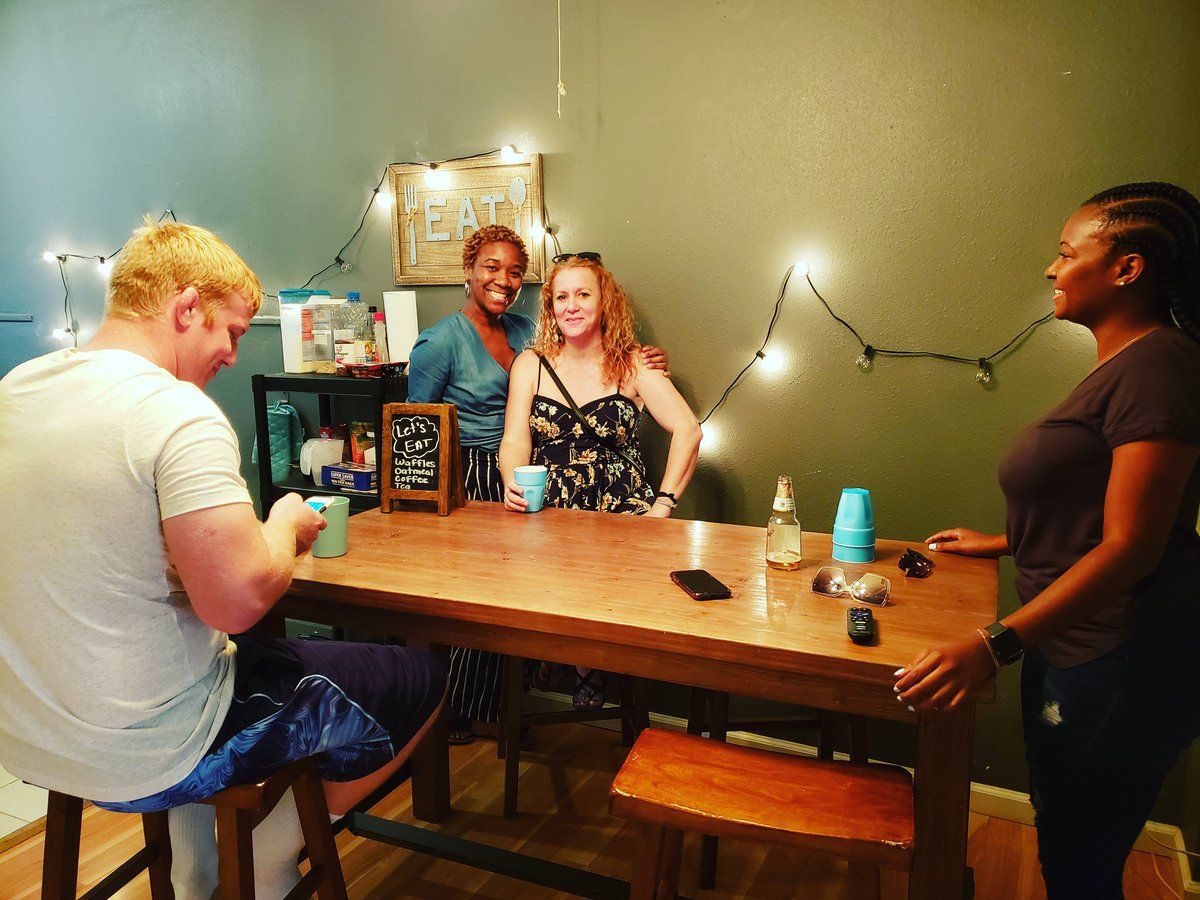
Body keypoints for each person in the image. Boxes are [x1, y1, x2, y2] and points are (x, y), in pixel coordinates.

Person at [0, 220, 447, 899]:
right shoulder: (174, 411)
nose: (235, 356)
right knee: (420, 675)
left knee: (203, 654)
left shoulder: (19, 389)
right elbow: (237, 601)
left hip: (31, 737)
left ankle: (194, 875)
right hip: (150, 752)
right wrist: (283, 525)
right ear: (185, 308)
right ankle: (273, 857)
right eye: (231, 332)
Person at [893, 182, 1200, 898]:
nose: (1050, 270)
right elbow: (1098, 503)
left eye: (1066, 254)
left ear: (1127, 269)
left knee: (1078, 861)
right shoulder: (1134, 363)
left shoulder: (1160, 366)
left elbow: (1133, 546)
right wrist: (1007, 540)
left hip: (1120, 657)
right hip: (1078, 644)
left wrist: (994, 643)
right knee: (1068, 838)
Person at [407, 227, 670, 739]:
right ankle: (458, 713)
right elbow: (417, 429)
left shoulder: (527, 328)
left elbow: (582, 351)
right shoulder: (438, 342)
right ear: (467, 271)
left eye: (512, 271)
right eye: (490, 267)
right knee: (477, 600)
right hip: (469, 472)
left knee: (523, 600)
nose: (502, 280)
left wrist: (643, 361)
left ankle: (502, 706)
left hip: (523, 471)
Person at [499, 253, 702, 706]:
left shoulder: (634, 365)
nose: (571, 306)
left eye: (583, 295)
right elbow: (515, 438)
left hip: (620, 519)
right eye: (561, 297)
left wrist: (663, 505)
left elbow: (689, 430)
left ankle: (589, 669)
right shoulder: (530, 364)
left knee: (611, 607)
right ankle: (574, 666)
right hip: (549, 515)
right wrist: (513, 482)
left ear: (604, 302)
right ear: (550, 308)